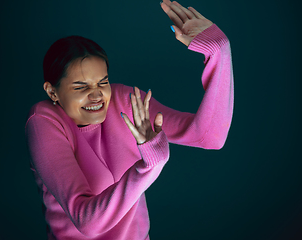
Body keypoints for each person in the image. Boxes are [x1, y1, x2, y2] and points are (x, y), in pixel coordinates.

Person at [25, 0, 234, 239]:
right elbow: (87, 221)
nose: (96, 95)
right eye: (81, 87)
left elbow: (209, 136)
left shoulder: (123, 101)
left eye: (102, 82)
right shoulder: (43, 121)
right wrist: (149, 166)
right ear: (52, 92)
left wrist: (219, 50)